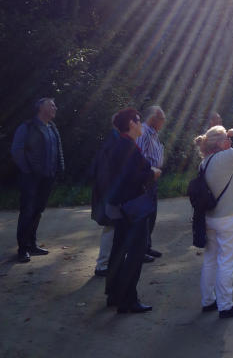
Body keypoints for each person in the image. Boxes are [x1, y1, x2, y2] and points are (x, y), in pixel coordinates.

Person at [105, 108, 161, 314]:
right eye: (138, 120)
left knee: (119, 250)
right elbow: (131, 177)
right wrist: (152, 174)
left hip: (122, 206)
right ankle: (128, 299)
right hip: (133, 208)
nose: (141, 124)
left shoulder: (121, 144)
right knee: (135, 253)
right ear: (131, 123)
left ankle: (114, 294)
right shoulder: (127, 147)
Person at [196, 125, 233, 318]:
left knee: (211, 260)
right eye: (226, 140)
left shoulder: (205, 162)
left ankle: (208, 300)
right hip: (228, 217)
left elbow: (217, 183)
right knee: (227, 263)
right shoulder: (225, 157)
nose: (230, 142)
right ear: (219, 143)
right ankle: (226, 305)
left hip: (210, 217)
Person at [11, 97, 64, 263]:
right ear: (41, 108)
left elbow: (58, 149)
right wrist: (28, 171)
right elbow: (17, 150)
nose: (55, 108)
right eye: (52, 105)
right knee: (27, 211)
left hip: (48, 177)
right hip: (31, 178)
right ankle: (23, 249)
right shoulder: (27, 126)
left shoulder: (52, 127)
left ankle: (32, 244)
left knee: (37, 212)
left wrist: (59, 169)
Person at [90, 115, 120, 276]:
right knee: (111, 228)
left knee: (114, 228)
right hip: (111, 194)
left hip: (111, 192)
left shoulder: (115, 140)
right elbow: (105, 172)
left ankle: (107, 263)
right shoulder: (113, 142)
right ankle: (102, 265)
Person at [136, 106, 166, 260]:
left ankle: (146, 247)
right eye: (161, 118)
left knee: (151, 215)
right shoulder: (144, 133)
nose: (164, 121)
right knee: (144, 216)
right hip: (147, 179)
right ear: (153, 118)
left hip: (153, 179)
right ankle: (139, 251)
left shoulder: (154, 134)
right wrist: (150, 172)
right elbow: (139, 158)